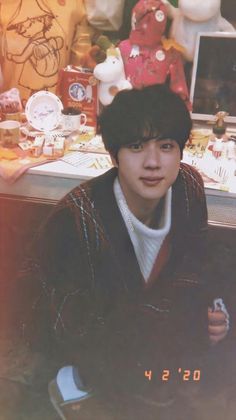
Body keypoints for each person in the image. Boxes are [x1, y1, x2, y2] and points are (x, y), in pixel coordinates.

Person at [22, 84, 229, 417]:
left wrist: (214, 312)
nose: (153, 162)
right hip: (89, 341)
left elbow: (197, 261)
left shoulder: (188, 186)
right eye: (136, 146)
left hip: (154, 334)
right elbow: (63, 321)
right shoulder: (76, 218)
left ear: (181, 151)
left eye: (166, 146)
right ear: (114, 155)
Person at [0, 0, 93, 105]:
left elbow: (80, 61)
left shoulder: (74, 5)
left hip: (59, 108)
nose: (24, 29)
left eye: (30, 23)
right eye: (20, 27)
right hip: (10, 108)